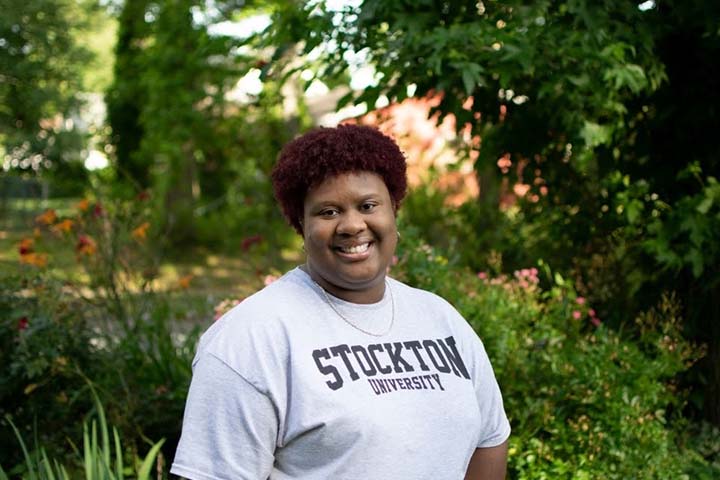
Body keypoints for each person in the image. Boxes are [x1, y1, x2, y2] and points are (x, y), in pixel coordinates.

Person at [170, 124, 510, 480]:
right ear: (300, 224)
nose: (352, 225)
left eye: (368, 205)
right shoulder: (252, 338)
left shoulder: (441, 319)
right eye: (328, 212)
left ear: (393, 211)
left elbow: (488, 438)